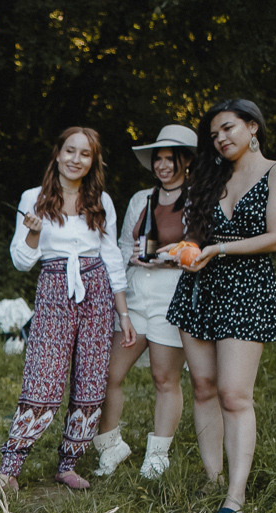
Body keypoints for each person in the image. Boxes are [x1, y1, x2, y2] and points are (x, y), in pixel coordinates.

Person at [0, 127, 135, 500]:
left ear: (93, 161)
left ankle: (68, 465)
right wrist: (32, 233)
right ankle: (8, 472)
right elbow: (21, 261)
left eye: (85, 154)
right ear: (57, 154)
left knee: (90, 381)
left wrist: (123, 313)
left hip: (96, 290)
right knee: (43, 380)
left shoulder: (100, 200)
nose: (76, 159)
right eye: (70, 151)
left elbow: (111, 256)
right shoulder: (34, 197)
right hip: (54, 287)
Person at [164, 99, 276, 513]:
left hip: (246, 286)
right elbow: (197, 235)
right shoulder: (212, 175)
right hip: (200, 285)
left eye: (228, 128)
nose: (221, 138)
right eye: (215, 134)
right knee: (203, 386)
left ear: (253, 127)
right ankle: (211, 477)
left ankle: (234, 498)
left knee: (234, 393)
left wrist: (219, 248)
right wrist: (185, 251)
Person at [92, 124, 198, 479]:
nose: (163, 166)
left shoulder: (199, 198)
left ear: (185, 161)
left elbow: (201, 253)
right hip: (136, 298)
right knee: (109, 373)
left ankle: (158, 454)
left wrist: (171, 256)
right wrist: (128, 269)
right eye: (159, 159)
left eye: (170, 159)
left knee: (164, 377)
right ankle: (110, 445)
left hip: (172, 299)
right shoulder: (141, 199)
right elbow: (122, 248)